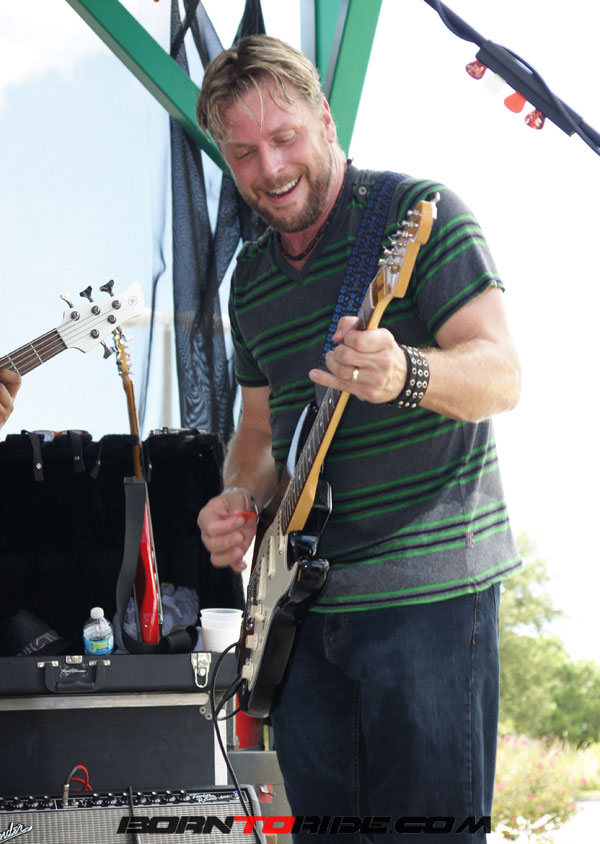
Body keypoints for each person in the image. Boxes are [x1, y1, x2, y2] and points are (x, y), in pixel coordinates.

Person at [196, 35, 521, 841]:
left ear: (326, 121)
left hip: (429, 604)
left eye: (284, 139)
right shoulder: (250, 280)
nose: (270, 169)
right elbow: (258, 433)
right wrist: (238, 497)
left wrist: (408, 372)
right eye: (244, 154)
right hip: (302, 616)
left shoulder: (421, 213)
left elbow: (501, 375)